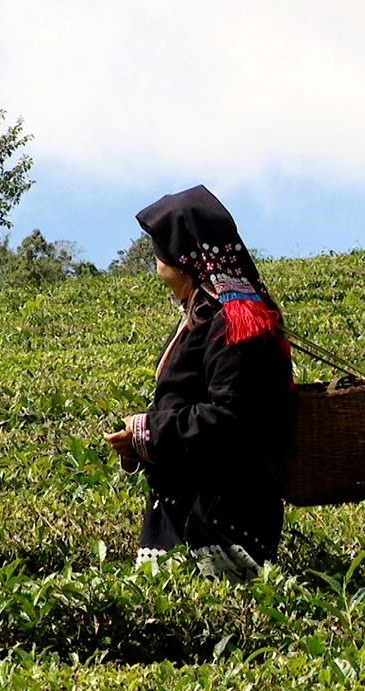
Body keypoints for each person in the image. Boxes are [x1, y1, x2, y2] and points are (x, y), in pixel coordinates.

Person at [104, 185, 293, 582]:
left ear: (182, 257)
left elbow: (232, 416)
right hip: (187, 507)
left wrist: (149, 430)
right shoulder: (207, 314)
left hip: (222, 516)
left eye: (160, 252)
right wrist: (139, 441)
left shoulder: (237, 322)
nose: (157, 263)